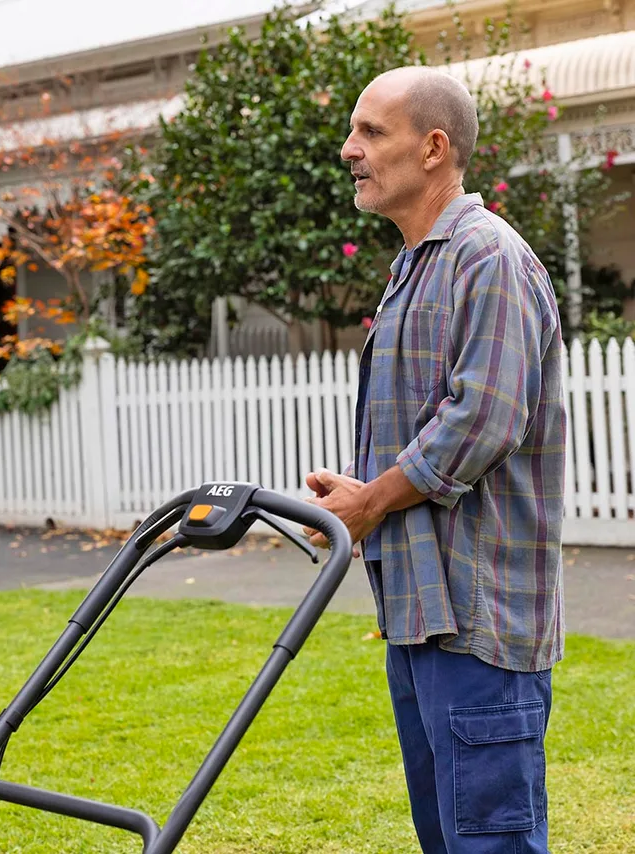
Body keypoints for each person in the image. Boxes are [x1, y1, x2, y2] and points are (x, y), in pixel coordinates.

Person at [305, 66, 565, 853]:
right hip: (421, 616)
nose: (350, 150)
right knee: (448, 839)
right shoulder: (413, 267)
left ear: (434, 148)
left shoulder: (488, 257)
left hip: (482, 623)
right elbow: (430, 428)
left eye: (371, 133)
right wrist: (361, 495)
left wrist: (371, 503)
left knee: (490, 843)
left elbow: (481, 419)